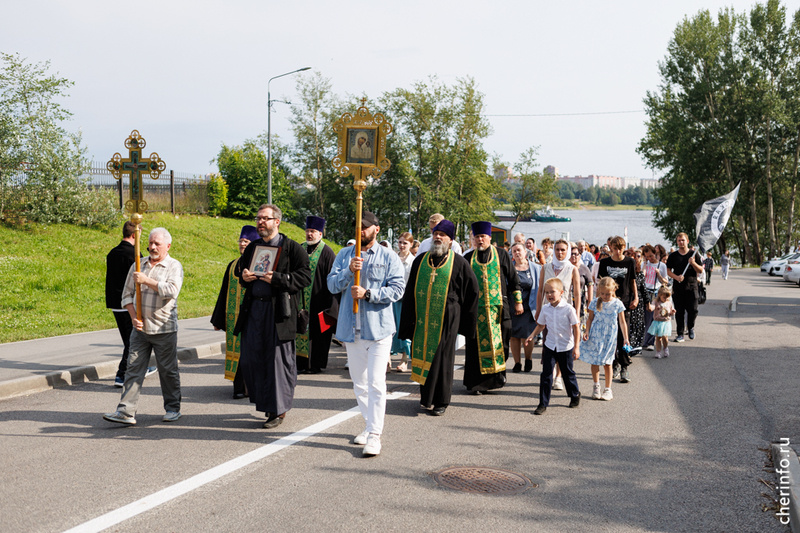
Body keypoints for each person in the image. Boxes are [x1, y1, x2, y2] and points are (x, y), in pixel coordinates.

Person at [327, 211, 405, 456]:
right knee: (359, 383)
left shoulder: (388, 256)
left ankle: (375, 435)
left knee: (376, 383)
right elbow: (331, 285)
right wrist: (349, 271)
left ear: (376, 229)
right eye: (357, 226)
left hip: (379, 329)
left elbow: (397, 289)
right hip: (351, 330)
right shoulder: (344, 255)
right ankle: (368, 424)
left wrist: (369, 294)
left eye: (365, 227)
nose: (360, 231)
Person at [234, 204, 311, 429]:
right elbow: (243, 272)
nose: (260, 222)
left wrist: (278, 278)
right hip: (254, 311)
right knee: (253, 359)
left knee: (278, 361)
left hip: (279, 313)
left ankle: (279, 410)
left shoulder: (292, 248)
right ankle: (267, 403)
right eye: (258, 218)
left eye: (265, 219)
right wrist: (245, 277)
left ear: (277, 221)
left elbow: (304, 276)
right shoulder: (253, 248)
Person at [103, 227, 184, 425]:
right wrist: (133, 317)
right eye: (150, 243)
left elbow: (171, 291)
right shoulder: (139, 265)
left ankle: (172, 408)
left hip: (163, 329)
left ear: (168, 246)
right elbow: (126, 295)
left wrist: (147, 281)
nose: (153, 247)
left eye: (157, 243)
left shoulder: (174, 266)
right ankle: (125, 412)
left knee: (168, 370)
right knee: (133, 369)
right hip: (139, 329)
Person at [398, 220, 479, 416]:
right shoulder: (420, 260)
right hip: (423, 319)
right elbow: (410, 292)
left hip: (447, 320)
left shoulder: (459, 262)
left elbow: (472, 292)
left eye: (443, 235)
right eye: (436, 233)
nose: (438, 237)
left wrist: (464, 322)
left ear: (450, 240)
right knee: (425, 355)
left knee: (442, 359)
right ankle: (426, 398)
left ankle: (442, 401)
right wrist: (408, 321)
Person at [463, 221, 523, 394]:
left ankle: (496, 380)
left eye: (483, 237)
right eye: (477, 237)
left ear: (489, 237)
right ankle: (475, 383)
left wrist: (518, 301)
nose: (480, 240)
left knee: (501, 344)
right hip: (476, 311)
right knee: (475, 348)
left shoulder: (501, 255)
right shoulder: (468, 258)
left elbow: (513, 280)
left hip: (499, 310)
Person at [210, 224, 259, 398]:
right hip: (233, 318)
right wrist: (218, 320)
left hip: (253, 317)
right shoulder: (232, 265)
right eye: (241, 241)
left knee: (250, 352)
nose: (243, 244)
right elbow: (223, 293)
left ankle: (250, 387)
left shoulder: (259, 265)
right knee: (236, 352)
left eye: (247, 241)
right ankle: (239, 388)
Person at [105, 221, 155, 388]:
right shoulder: (133, 256)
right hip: (129, 303)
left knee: (132, 338)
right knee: (132, 340)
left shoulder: (112, 253)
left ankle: (141, 366)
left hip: (115, 302)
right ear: (135, 235)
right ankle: (122, 374)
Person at [525, 277, 581, 415]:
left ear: (561, 292)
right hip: (550, 345)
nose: (549, 295)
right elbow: (541, 325)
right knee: (546, 374)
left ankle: (574, 394)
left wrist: (576, 347)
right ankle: (543, 403)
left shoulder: (568, 309)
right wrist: (532, 335)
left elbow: (576, 328)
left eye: (552, 292)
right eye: (547, 292)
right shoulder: (545, 309)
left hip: (565, 346)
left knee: (568, 373)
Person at [535, 239, 580, 390]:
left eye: (563, 250)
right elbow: (540, 290)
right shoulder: (546, 267)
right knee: (549, 342)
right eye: (557, 250)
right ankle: (551, 372)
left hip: (565, 312)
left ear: (567, 252)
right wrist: (538, 310)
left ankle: (559, 376)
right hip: (547, 311)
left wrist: (578, 313)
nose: (560, 253)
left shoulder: (572, 269)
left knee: (562, 345)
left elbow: (577, 294)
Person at [296, 216, 338, 375]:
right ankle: (300, 364)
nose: (309, 234)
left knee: (318, 336)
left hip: (320, 302)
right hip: (301, 303)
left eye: (312, 231)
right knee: (300, 332)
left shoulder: (327, 252)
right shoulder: (299, 248)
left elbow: (332, 279)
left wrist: (331, 306)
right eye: (307, 231)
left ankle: (315, 365)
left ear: (320, 234)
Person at [579, 277, 629, 402]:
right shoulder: (595, 302)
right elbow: (590, 319)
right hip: (596, 336)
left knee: (608, 362)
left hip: (609, 337)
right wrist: (587, 331)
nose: (605, 296)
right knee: (595, 361)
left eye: (608, 294)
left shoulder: (617, 303)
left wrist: (625, 338)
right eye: (602, 293)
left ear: (614, 290)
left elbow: (622, 322)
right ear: (599, 291)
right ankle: (596, 386)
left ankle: (608, 389)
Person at [597, 236, 638, 383]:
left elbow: (633, 281)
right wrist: (597, 302)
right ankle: (613, 364)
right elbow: (600, 283)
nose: (618, 251)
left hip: (624, 301)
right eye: (615, 248)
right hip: (608, 301)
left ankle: (624, 366)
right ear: (611, 248)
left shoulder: (629, 261)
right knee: (610, 335)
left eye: (621, 248)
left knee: (622, 334)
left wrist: (636, 297)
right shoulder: (605, 262)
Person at [666, 233, 703, 342]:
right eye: (679, 240)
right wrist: (676, 277)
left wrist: (693, 263)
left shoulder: (694, 254)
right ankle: (680, 333)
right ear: (677, 242)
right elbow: (668, 271)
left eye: (683, 240)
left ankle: (691, 327)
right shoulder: (673, 256)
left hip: (692, 287)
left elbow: (700, 270)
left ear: (687, 241)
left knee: (693, 310)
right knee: (679, 312)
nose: (681, 242)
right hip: (678, 288)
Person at [509, 243, 541, 373]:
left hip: (529, 306)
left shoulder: (535, 268)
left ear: (525, 252)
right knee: (514, 336)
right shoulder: (510, 268)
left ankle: (528, 358)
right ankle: (517, 362)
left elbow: (540, 287)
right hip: (513, 306)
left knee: (527, 335)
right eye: (514, 251)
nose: (517, 253)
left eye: (519, 250)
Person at [392, 232, 415, 372]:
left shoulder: (413, 261)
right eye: (400, 242)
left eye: (405, 243)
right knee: (390, 329)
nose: (402, 245)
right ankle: (387, 361)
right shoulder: (394, 258)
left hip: (406, 300)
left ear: (411, 244)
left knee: (405, 329)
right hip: (393, 299)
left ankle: (404, 360)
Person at [641, 244, 669, 351]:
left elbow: (665, 281)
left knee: (653, 317)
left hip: (655, 292)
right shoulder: (645, 264)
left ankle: (650, 342)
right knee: (645, 317)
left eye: (651, 256)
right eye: (647, 256)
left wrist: (659, 275)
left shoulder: (661, 266)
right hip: (645, 292)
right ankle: (644, 340)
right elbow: (642, 276)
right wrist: (644, 264)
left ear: (655, 254)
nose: (650, 258)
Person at [628, 249, 649, 354]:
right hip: (628, 301)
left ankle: (636, 346)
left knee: (639, 324)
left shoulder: (640, 274)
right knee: (629, 324)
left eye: (639, 256)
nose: (636, 258)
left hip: (639, 302)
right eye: (634, 256)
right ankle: (629, 346)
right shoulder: (627, 272)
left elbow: (644, 289)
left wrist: (647, 303)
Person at [648, 285, 676, 359]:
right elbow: (652, 306)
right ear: (659, 295)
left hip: (665, 322)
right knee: (658, 338)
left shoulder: (669, 302)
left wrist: (673, 312)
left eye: (667, 297)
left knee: (665, 337)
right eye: (664, 297)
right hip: (657, 321)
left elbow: (671, 311)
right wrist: (653, 307)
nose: (666, 299)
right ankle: (658, 351)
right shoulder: (656, 301)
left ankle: (666, 348)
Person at [570, 244, 594, 322]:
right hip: (568, 299)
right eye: (571, 254)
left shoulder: (584, 268)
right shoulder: (566, 268)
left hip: (581, 299)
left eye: (576, 254)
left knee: (580, 321)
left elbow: (590, 284)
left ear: (580, 256)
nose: (573, 256)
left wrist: (589, 302)